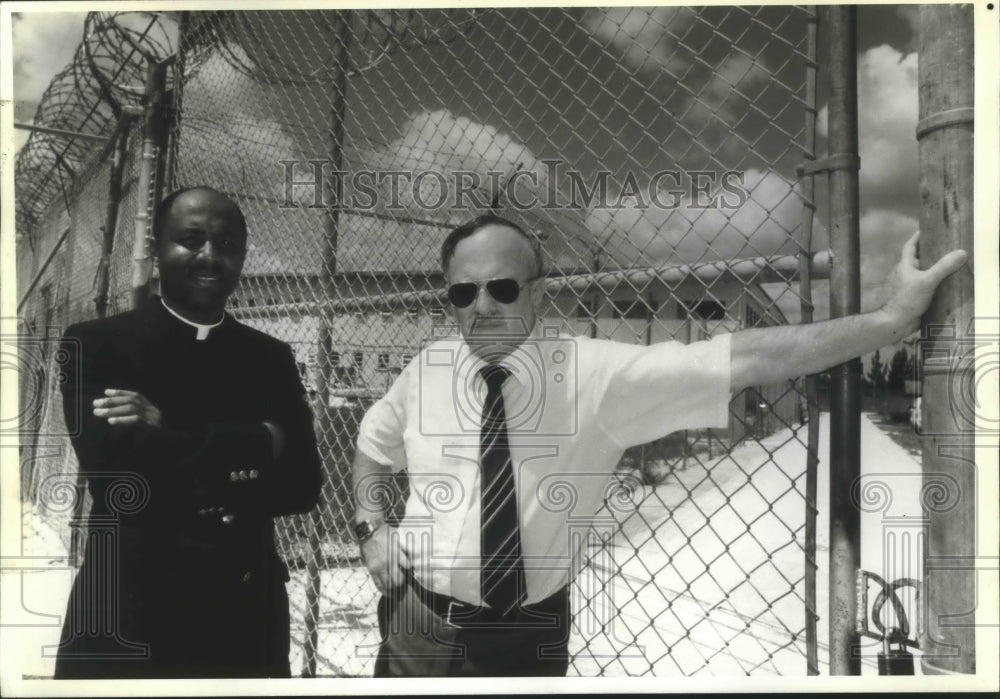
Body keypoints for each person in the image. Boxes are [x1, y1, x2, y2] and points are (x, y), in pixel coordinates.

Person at [352, 213, 967, 677]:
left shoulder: (595, 377)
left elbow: (745, 357)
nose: (481, 307)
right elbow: (373, 445)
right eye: (464, 292)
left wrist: (888, 322)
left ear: (538, 293)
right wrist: (371, 525)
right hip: (414, 622)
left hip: (527, 632)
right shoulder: (427, 369)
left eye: (502, 289)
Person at [53, 186, 323, 679]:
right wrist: (260, 442)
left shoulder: (269, 357)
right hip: (131, 612)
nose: (209, 256)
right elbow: (121, 484)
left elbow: (303, 485)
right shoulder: (96, 345)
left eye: (226, 244)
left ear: (242, 255)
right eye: (191, 239)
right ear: (157, 249)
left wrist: (165, 433)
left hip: (243, 618)